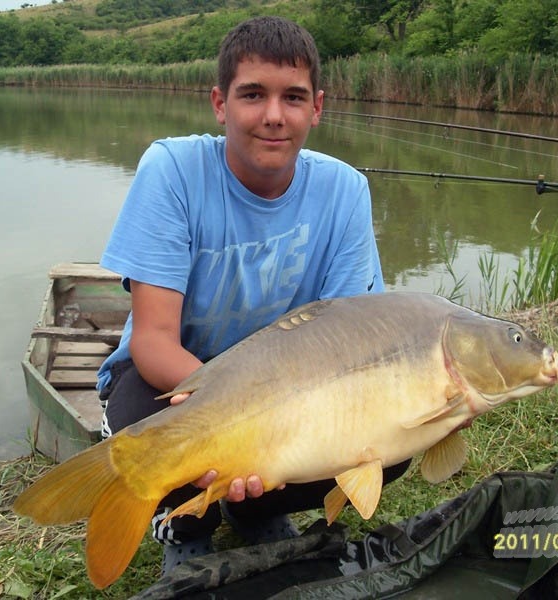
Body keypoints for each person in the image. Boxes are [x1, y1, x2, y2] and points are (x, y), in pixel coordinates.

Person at [95, 15, 410, 576]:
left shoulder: (345, 190)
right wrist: (235, 418)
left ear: (317, 108)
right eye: (252, 95)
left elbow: (349, 349)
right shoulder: (171, 170)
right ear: (220, 104)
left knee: (393, 438)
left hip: (291, 385)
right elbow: (153, 339)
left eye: (293, 97)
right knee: (137, 418)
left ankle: (254, 509)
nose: (273, 115)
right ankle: (185, 526)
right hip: (176, 378)